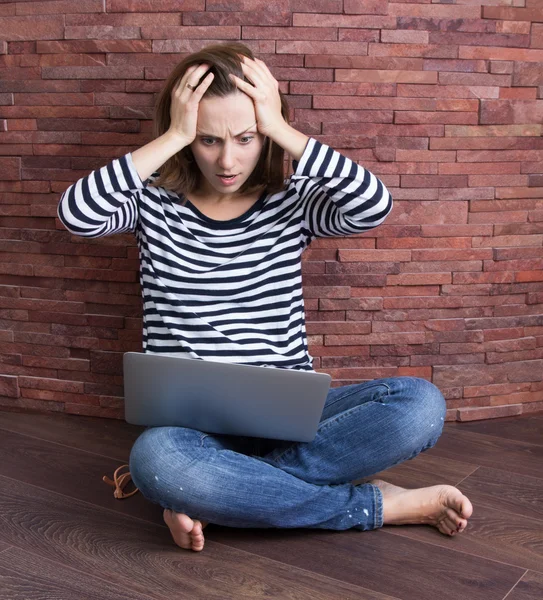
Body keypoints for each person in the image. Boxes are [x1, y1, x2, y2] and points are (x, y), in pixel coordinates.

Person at [58, 42, 473, 553]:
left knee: (420, 406)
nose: (227, 160)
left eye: (246, 137)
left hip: (293, 418)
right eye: (207, 140)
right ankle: (373, 505)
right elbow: (77, 215)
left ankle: (224, 496)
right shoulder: (151, 205)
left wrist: (281, 130)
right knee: (156, 461)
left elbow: (374, 207)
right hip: (191, 434)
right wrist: (172, 136)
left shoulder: (293, 203)